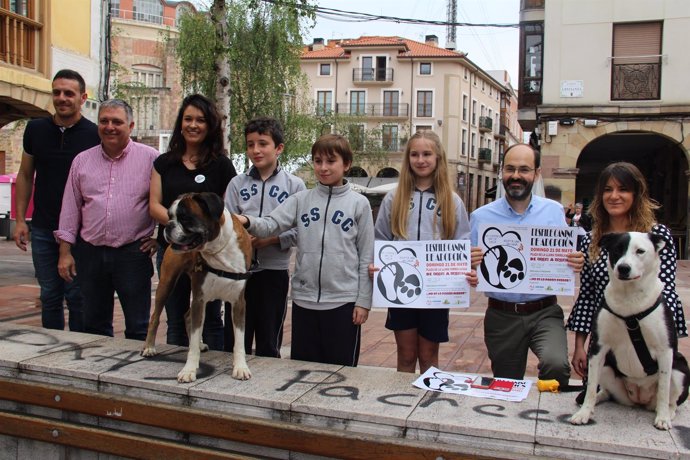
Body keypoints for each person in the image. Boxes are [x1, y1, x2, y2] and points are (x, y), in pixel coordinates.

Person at [235, 134, 374, 367]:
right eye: (318, 161)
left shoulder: (360, 204)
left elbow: (365, 256)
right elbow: (271, 224)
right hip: (304, 301)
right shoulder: (301, 199)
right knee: (302, 372)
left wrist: (363, 301)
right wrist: (245, 220)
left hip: (343, 302)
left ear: (346, 164)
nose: (323, 167)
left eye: (331, 161)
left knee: (339, 373)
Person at [470, 143, 585, 387]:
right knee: (506, 383)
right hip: (502, 314)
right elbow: (468, 267)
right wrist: (470, 265)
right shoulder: (481, 216)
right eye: (510, 169)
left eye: (524, 169)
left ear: (536, 173)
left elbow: (566, 255)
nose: (516, 176)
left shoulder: (554, 212)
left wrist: (575, 260)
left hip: (544, 311)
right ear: (502, 172)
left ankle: (547, 423)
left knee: (556, 366)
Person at [567, 162, 687, 380]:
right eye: (607, 189)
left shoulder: (656, 236)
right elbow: (587, 296)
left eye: (623, 189)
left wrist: (664, 342)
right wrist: (579, 346)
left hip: (646, 344)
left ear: (636, 194)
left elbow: (667, 291)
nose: (614, 196)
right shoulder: (592, 240)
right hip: (607, 344)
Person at [370, 131, 477, 374]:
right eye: (415, 154)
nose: (421, 160)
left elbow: (462, 243)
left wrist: (467, 270)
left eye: (427, 154)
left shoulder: (451, 201)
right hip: (401, 288)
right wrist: (377, 265)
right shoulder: (394, 198)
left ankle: (428, 405)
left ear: (438, 157)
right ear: (408, 159)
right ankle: (401, 401)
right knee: (406, 355)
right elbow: (381, 239)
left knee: (429, 357)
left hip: (436, 291)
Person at [55, 99, 159, 340]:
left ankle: (134, 375)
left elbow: (166, 201)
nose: (109, 126)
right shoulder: (82, 161)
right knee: (94, 326)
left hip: (133, 253)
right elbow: (71, 208)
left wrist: (158, 237)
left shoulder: (152, 159)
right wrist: (65, 252)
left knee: (138, 326)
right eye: (104, 121)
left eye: (117, 122)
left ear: (131, 126)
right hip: (90, 254)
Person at [13, 69, 100, 331]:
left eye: (69, 93)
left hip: (79, 231)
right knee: (49, 295)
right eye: (57, 92)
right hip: (43, 226)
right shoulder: (35, 129)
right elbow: (26, 175)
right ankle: (52, 353)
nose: (62, 98)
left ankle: (76, 351)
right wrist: (19, 220)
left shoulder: (94, 135)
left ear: (82, 97)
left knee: (77, 295)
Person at [149, 94, 236, 350]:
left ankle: (213, 373)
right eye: (188, 119)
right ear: (180, 123)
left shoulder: (221, 165)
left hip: (209, 254)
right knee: (175, 317)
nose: (193, 125)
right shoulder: (164, 163)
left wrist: (195, 232)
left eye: (200, 120)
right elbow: (154, 205)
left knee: (210, 317)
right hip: (173, 249)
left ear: (209, 126)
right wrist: (181, 228)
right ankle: (172, 366)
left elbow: (226, 209)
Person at [224, 117, 305, 357]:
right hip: (238, 270)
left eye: (263, 143)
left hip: (274, 271)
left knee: (269, 340)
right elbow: (226, 222)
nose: (256, 150)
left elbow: (300, 230)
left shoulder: (295, 185)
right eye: (250, 144)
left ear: (278, 148)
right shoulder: (237, 183)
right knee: (235, 336)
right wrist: (241, 240)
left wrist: (270, 240)